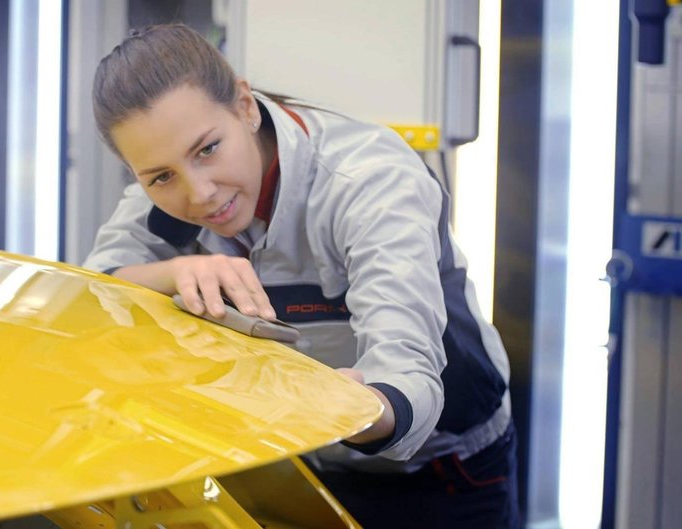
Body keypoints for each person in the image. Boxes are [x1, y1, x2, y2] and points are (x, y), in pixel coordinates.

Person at [82, 23, 519, 528]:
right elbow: (95, 293)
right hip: (302, 461)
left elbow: (409, 373)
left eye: (208, 149)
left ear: (245, 106)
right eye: (160, 176)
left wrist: (353, 405)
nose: (198, 194)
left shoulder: (368, 182)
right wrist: (175, 270)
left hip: (446, 469)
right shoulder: (167, 194)